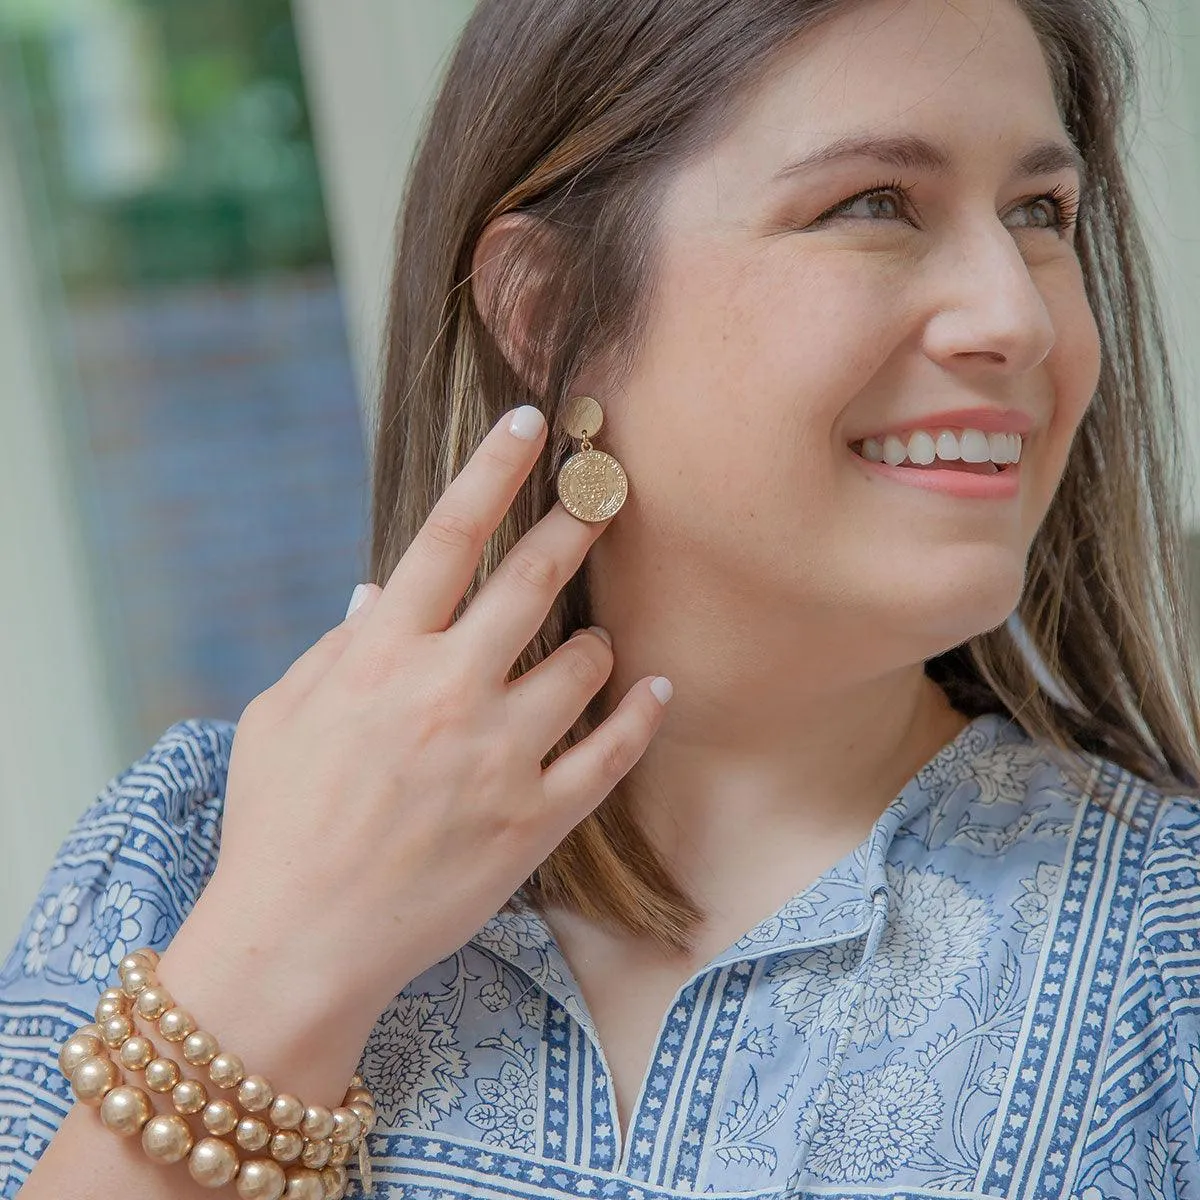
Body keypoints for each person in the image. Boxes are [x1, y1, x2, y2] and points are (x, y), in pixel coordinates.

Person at [4, 0, 1200, 1195]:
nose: (1021, 317)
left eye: (1040, 214)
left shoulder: (1168, 944)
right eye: (872, 203)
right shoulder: (181, 867)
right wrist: (277, 966)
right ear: (545, 308)